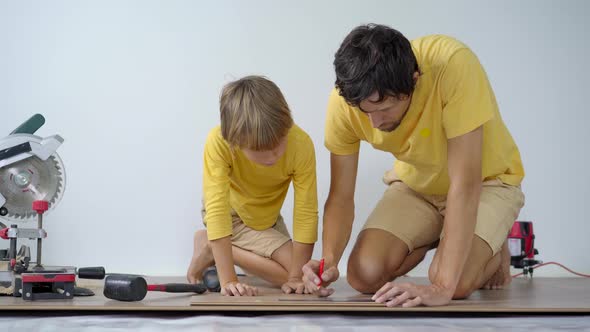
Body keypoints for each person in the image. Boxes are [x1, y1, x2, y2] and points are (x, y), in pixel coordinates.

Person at [302, 24, 525, 307]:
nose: (375, 123)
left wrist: (442, 285)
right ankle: (445, 236)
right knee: (362, 275)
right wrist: (329, 261)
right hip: (417, 185)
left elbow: (465, 183)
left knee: (455, 286)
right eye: (365, 111)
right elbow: (341, 195)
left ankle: (493, 246)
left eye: (384, 109)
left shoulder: (453, 64)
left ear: (414, 81)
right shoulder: (348, 97)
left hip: (485, 183)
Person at [187, 75, 318, 296]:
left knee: (300, 275)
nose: (272, 156)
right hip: (232, 216)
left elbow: (306, 212)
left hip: (267, 218)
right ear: (235, 142)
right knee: (290, 275)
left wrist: (298, 277)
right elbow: (217, 209)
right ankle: (211, 246)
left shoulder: (301, 144)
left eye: (278, 144)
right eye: (259, 150)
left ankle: (211, 248)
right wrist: (229, 279)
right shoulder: (219, 143)